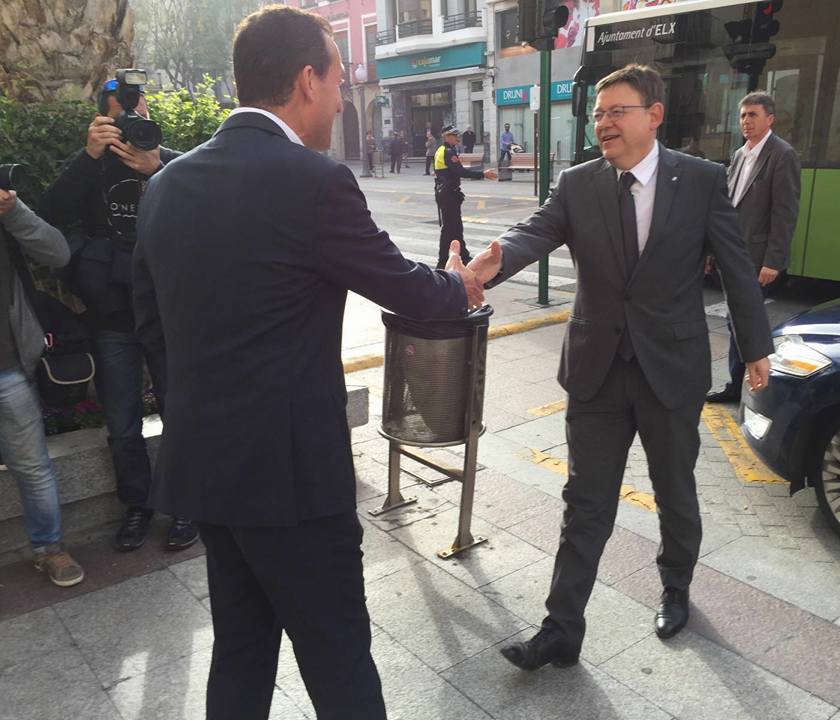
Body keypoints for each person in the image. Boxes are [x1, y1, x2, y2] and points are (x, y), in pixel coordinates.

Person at [131, 7, 484, 719]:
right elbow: (404, 286)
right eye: (338, 81)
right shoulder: (312, 180)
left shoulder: (168, 183)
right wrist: (462, 284)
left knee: (240, 651)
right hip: (292, 479)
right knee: (339, 659)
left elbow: (149, 324)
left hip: (207, 469)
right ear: (305, 81)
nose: (342, 100)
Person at [468, 65, 772, 670]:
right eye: (597, 114)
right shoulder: (577, 184)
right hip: (597, 369)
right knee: (585, 500)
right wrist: (489, 264)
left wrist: (756, 347)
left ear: (653, 115)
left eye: (616, 111)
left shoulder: (702, 180)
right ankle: (562, 629)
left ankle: (676, 588)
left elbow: (736, 268)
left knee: (674, 491)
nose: (602, 123)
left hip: (670, 367)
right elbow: (534, 233)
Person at [40, 77, 198, 553]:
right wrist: (89, 155)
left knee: (180, 411)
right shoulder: (90, 165)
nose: (131, 126)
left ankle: (186, 504)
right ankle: (137, 505)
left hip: (166, 310)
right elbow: (49, 213)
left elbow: (207, 204)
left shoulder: (171, 162)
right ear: (101, 121)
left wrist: (159, 166)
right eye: (120, 119)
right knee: (122, 422)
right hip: (111, 315)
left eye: (140, 117)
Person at [0, 188, 84, 587]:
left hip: (8, 367)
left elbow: (58, 253)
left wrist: (13, 210)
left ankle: (49, 548)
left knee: (32, 467)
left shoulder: (5, 212)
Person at [706, 91, 800, 404]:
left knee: (743, 319)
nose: (746, 121)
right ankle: (740, 380)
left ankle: (739, 384)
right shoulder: (740, 154)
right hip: (730, 253)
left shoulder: (782, 155)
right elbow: (727, 206)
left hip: (756, 257)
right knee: (736, 318)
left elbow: (785, 213)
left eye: (753, 115)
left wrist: (774, 260)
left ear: (770, 119)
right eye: (743, 115)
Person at [434, 125, 497, 268]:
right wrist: (482, 174)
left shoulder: (442, 150)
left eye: (457, 135)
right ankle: (443, 262)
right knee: (451, 229)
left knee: (453, 228)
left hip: (446, 193)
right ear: (446, 136)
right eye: (454, 135)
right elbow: (460, 172)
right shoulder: (448, 152)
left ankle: (460, 257)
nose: (457, 138)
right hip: (448, 195)